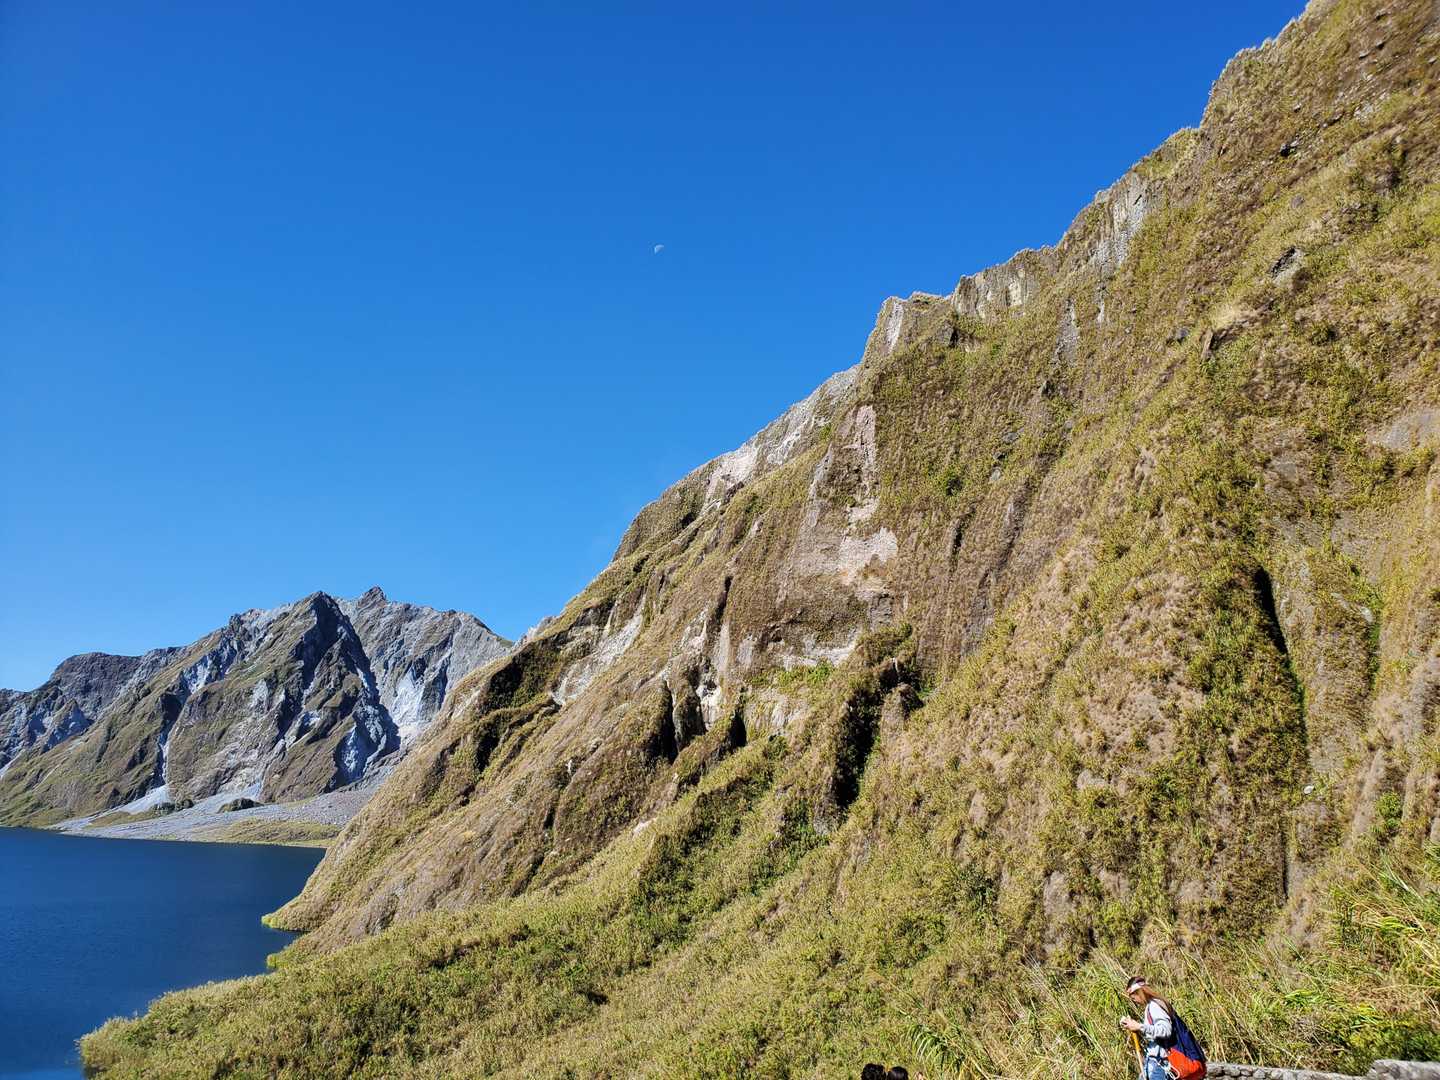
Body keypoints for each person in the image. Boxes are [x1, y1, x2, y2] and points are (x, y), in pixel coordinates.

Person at [1120, 975, 1173, 1080]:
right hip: (1154, 1062)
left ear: (1139, 992)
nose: (1134, 1001)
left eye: (1133, 998)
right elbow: (1154, 1032)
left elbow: (1166, 1030)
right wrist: (1134, 1026)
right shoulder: (1152, 1005)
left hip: (1159, 1065)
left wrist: (1139, 1026)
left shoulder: (1154, 1005)